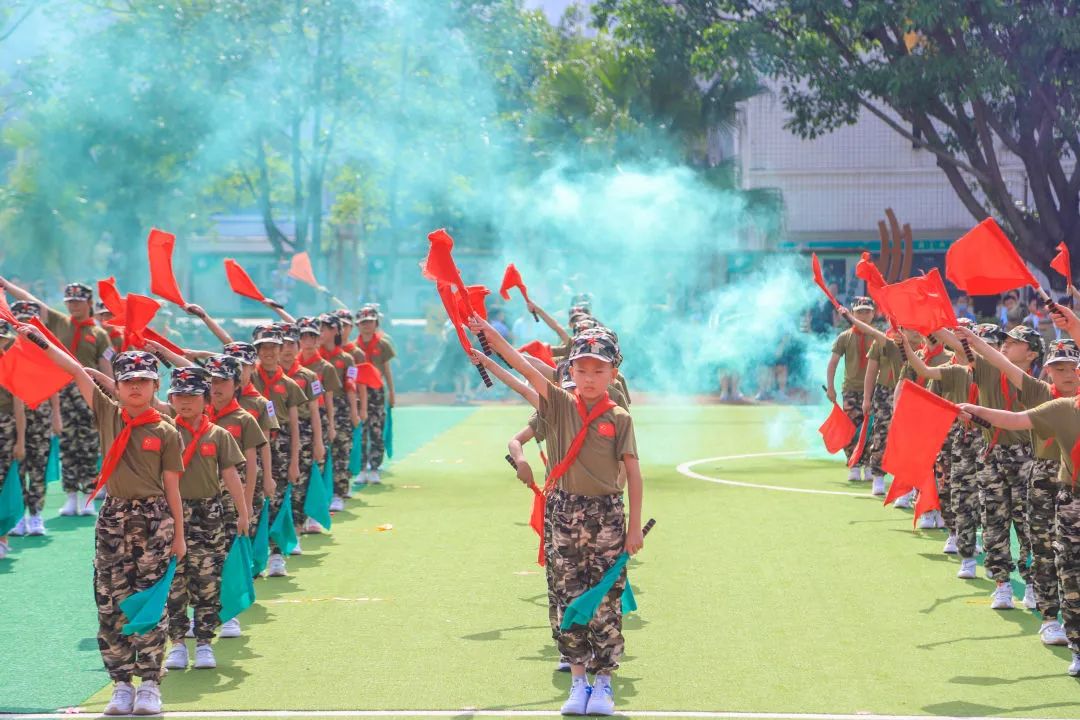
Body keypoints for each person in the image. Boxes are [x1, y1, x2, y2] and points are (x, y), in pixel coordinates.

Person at [466, 314, 643, 717]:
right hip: (564, 511)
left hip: (607, 516)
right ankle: (578, 681)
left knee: (605, 602)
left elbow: (633, 472)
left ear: (613, 373)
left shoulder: (619, 417)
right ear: (571, 371)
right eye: (581, 370)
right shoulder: (559, 404)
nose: (589, 378)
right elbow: (524, 369)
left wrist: (634, 527)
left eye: (599, 371)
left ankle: (603, 685)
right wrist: (492, 341)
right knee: (569, 598)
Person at [27, 334, 184, 716]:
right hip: (114, 517)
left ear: (154, 386)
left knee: (149, 599)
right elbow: (77, 370)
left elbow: (172, 487)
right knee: (110, 600)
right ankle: (120, 684)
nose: (135, 387)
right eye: (128, 381)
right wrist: (37, 339)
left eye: (143, 381)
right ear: (116, 385)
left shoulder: (165, 431)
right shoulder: (108, 413)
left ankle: (149, 683)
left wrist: (179, 534)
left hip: (154, 519)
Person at [956, 327, 1077, 644]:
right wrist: (976, 341)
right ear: (1048, 369)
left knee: (1068, 554)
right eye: (1059, 367)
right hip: (1045, 476)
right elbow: (1003, 365)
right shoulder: (1041, 393)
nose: (1066, 373)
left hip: (1074, 479)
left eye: (1072, 367)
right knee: (1043, 546)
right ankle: (1050, 617)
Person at [946, 324, 1041, 609]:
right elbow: (959, 348)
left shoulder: (1034, 382)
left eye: (1015, 342)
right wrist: (940, 326)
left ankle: (1034, 584)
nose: (1006, 345)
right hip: (993, 454)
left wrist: (973, 338)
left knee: (1028, 525)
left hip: (1025, 457)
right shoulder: (986, 370)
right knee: (993, 520)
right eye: (1006, 341)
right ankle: (1001, 583)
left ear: (1032, 354)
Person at [0, 278, 112, 516]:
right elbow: (34, 304)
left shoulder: (99, 333)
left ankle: (89, 496)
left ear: (89, 302)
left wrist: (111, 390)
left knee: (91, 445)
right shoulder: (61, 323)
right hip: (63, 388)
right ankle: (71, 496)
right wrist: (7, 287)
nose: (73, 306)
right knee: (68, 445)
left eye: (78, 302)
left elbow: (105, 364)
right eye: (69, 302)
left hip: (90, 390)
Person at [162, 367, 249, 672]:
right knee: (174, 581)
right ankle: (176, 644)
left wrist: (242, 512)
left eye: (191, 395)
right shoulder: (164, 431)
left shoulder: (218, 435)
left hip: (209, 514)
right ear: (170, 398)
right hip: (171, 514)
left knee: (208, 580)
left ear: (205, 398)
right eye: (179, 395)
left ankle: (203, 643)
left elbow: (230, 475)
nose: (184, 401)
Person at [203, 353, 267, 638]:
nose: (216, 387)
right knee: (199, 558)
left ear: (235, 384)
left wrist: (248, 505)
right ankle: (200, 615)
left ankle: (229, 614)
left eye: (223, 382)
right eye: (212, 381)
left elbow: (251, 466)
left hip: (231, 498)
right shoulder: (198, 414)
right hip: (199, 499)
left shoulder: (244, 418)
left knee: (228, 556)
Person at [251, 326, 306, 576]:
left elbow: (295, 428)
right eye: (264, 348)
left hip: (279, 444)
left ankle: (276, 555)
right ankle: (254, 556)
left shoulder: (290, 385)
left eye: (274, 347)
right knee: (252, 500)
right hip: (251, 442)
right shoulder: (249, 378)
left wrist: (294, 462)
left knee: (276, 499)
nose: (270, 352)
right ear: (258, 351)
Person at [6, 301, 62, 536]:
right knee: (16, 467)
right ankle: (18, 517)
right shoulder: (7, 347)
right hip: (12, 417)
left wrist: (57, 416)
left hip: (40, 415)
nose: (25, 325)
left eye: (30, 320)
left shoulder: (44, 349)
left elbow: (53, 385)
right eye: (21, 320)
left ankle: (36, 515)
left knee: (38, 465)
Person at [825, 297, 875, 481]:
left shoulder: (878, 335)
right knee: (851, 429)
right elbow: (833, 364)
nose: (863, 315)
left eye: (867, 311)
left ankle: (869, 465)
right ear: (852, 314)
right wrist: (831, 387)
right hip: (851, 391)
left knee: (872, 430)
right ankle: (854, 464)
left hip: (875, 391)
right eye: (859, 312)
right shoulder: (845, 337)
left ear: (873, 313)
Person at [317, 313, 364, 504]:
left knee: (341, 448)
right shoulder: (316, 357)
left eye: (323, 329)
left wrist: (354, 411)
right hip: (319, 407)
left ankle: (339, 492)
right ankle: (323, 492)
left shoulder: (346, 359)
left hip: (341, 407)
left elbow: (351, 386)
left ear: (334, 330)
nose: (319, 333)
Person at [355, 305, 395, 484]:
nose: (366, 326)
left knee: (377, 429)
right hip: (358, 392)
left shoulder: (382, 344)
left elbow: (387, 370)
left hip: (377, 391)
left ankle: (375, 467)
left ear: (376, 323)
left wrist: (391, 392)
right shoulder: (354, 347)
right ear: (358, 325)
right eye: (363, 322)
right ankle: (362, 468)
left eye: (370, 322)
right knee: (361, 430)